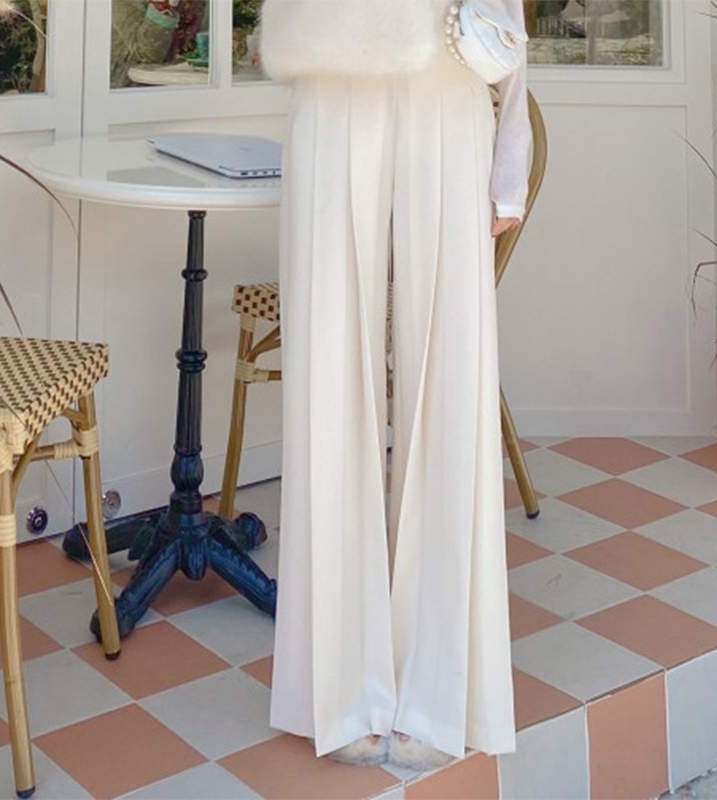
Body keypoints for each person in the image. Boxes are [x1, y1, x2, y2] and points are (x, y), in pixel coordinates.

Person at [262, 0, 534, 770]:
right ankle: (335, 684)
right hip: (326, 80)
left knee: (450, 373)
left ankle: (443, 684)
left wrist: (510, 157)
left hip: (447, 85)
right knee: (326, 376)